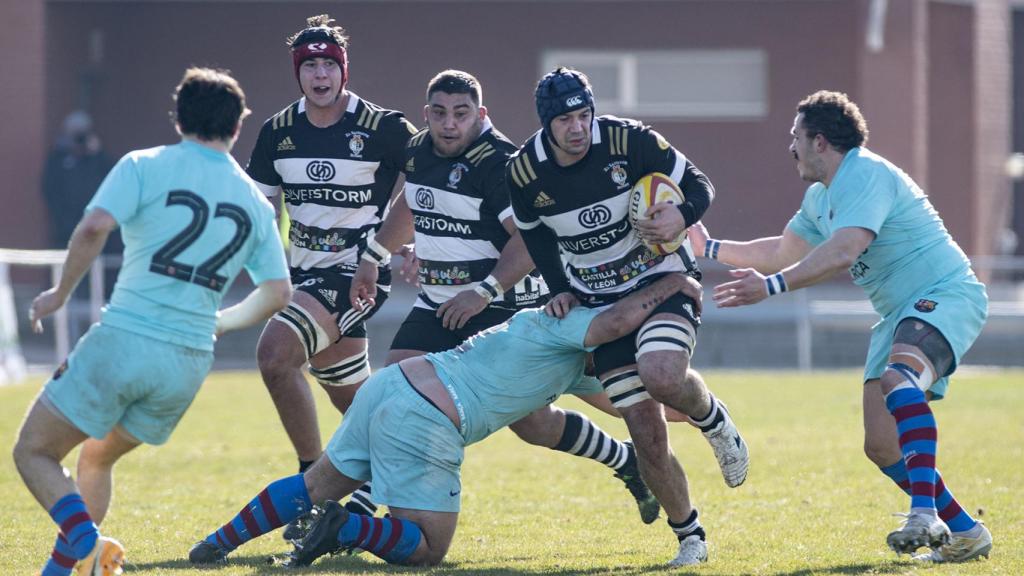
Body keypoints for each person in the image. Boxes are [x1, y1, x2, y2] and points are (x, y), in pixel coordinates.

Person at [188, 272, 702, 568]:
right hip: (429, 416)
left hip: (390, 385)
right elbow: (616, 320)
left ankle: (217, 544)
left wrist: (703, 413)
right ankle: (347, 528)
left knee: (316, 483)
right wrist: (676, 284)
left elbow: (646, 403)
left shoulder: (574, 360)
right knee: (430, 548)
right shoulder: (568, 320)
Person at [689, 90, 992, 562]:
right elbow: (781, 252)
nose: (790, 147)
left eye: (796, 137)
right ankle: (968, 533)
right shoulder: (821, 196)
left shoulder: (864, 172)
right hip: (897, 316)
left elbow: (844, 250)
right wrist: (706, 248)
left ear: (820, 142)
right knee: (882, 447)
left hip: (944, 293)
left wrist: (771, 288)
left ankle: (923, 514)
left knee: (900, 379)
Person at [13, 67, 291, 576]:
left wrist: (59, 293)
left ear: (178, 117)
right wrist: (221, 322)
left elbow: (95, 226)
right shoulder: (255, 201)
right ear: (238, 125)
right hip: (186, 364)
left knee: (33, 452)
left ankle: (87, 541)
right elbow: (278, 292)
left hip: (125, 340)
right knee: (97, 457)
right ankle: (63, 571)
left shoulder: (144, 163)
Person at [348, 69, 658, 524]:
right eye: (439, 113)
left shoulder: (499, 163)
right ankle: (358, 507)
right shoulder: (417, 149)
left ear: (481, 114)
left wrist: (483, 292)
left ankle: (635, 454)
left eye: (461, 113)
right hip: (437, 305)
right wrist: (375, 255)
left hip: (501, 308)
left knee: (536, 423)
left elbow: (530, 240)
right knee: (394, 392)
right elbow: (414, 201)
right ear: (426, 114)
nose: (449, 124)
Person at [507, 67, 748, 566]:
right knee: (643, 427)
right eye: (565, 120)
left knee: (662, 376)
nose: (578, 127)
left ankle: (711, 418)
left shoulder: (628, 140)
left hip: (662, 278)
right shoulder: (525, 171)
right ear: (546, 124)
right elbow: (535, 235)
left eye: (583, 115)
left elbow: (699, 184)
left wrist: (682, 215)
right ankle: (691, 537)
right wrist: (560, 290)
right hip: (599, 304)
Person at [244, 14, 417, 478]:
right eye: (309, 66)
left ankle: (309, 482)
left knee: (275, 357)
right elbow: (259, 210)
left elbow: (431, 181)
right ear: (297, 72)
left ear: (344, 70)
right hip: (303, 277)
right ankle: (406, 475)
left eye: (329, 65)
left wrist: (408, 239)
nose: (320, 75)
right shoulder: (277, 130)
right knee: (357, 408)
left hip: (357, 275)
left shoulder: (382, 126)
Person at [42, 111, 116, 251]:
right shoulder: (58, 158)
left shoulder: (97, 158)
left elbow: (112, 179)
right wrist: (61, 217)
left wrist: (98, 154)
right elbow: (49, 188)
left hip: (94, 223)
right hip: (66, 226)